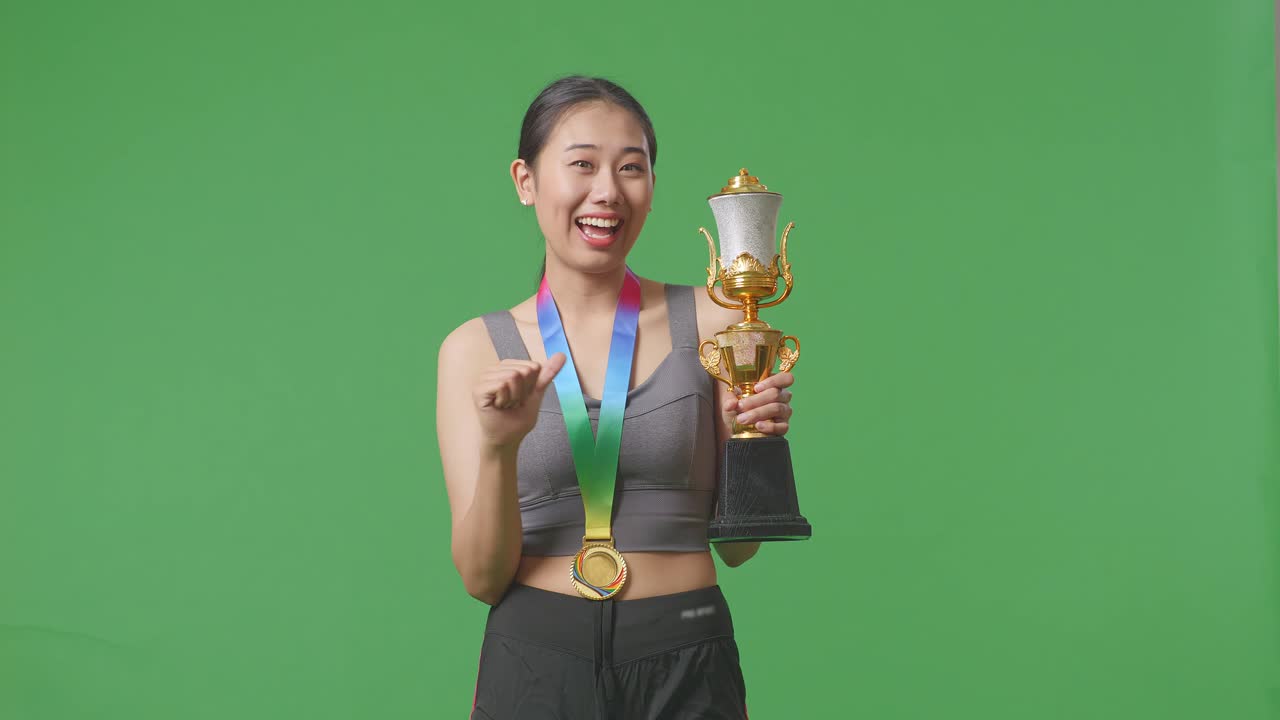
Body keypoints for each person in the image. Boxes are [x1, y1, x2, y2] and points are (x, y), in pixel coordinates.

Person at [436, 75, 796, 720]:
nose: (607, 190)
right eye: (582, 164)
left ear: (652, 186)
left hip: (687, 650)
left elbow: (740, 549)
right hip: (536, 658)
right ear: (525, 180)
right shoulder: (474, 349)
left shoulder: (719, 322)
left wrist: (755, 443)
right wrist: (499, 448)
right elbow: (482, 581)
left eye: (631, 167)